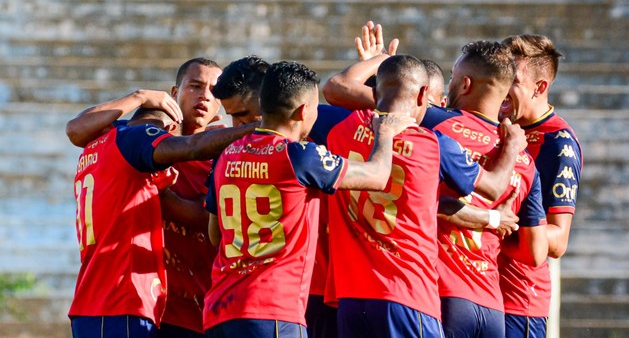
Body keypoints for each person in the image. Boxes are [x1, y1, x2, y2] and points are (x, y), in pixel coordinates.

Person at [309, 54, 526, 338]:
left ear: (374, 92)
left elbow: (331, 90)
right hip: (408, 294)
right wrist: (511, 147)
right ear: (424, 94)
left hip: (351, 297)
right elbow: (494, 187)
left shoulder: (339, 126)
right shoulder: (434, 143)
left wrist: (376, 60)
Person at [203, 61, 414, 338]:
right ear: (304, 110)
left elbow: (216, 235)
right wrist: (384, 134)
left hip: (220, 310)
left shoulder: (227, 155)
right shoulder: (300, 156)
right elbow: (376, 176)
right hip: (273, 310)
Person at [67, 57, 243, 337]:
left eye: (213, 91)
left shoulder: (218, 157)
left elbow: (206, 219)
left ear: (220, 104)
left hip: (188, 308)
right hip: (134, 301)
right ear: (173, 95)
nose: (204, 96)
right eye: (195, 86)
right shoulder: (140, 144)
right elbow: (75, 129)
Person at [418, 41, 548, 338]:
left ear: (465, 84)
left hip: (442, 293)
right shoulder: (525, 160)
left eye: (452, 77)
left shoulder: (436, 125)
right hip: (491, 306)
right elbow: (536, 251)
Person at [498, 34, 583, 338]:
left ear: (540, 87)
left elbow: (558, 240)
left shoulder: (557, 142)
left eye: (513, 79)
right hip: (480, 296)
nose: (501, 87)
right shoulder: (492, 124)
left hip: (520, 302)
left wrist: (491, 225)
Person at [323, 21, 447, 110]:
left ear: (443, 104)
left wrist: (382, 60)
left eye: (428, 103)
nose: (411, 104)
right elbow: (337, 88)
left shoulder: (442, 140)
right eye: (403, 94)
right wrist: (376, 74)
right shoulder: (375, 119)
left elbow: (337, 86)